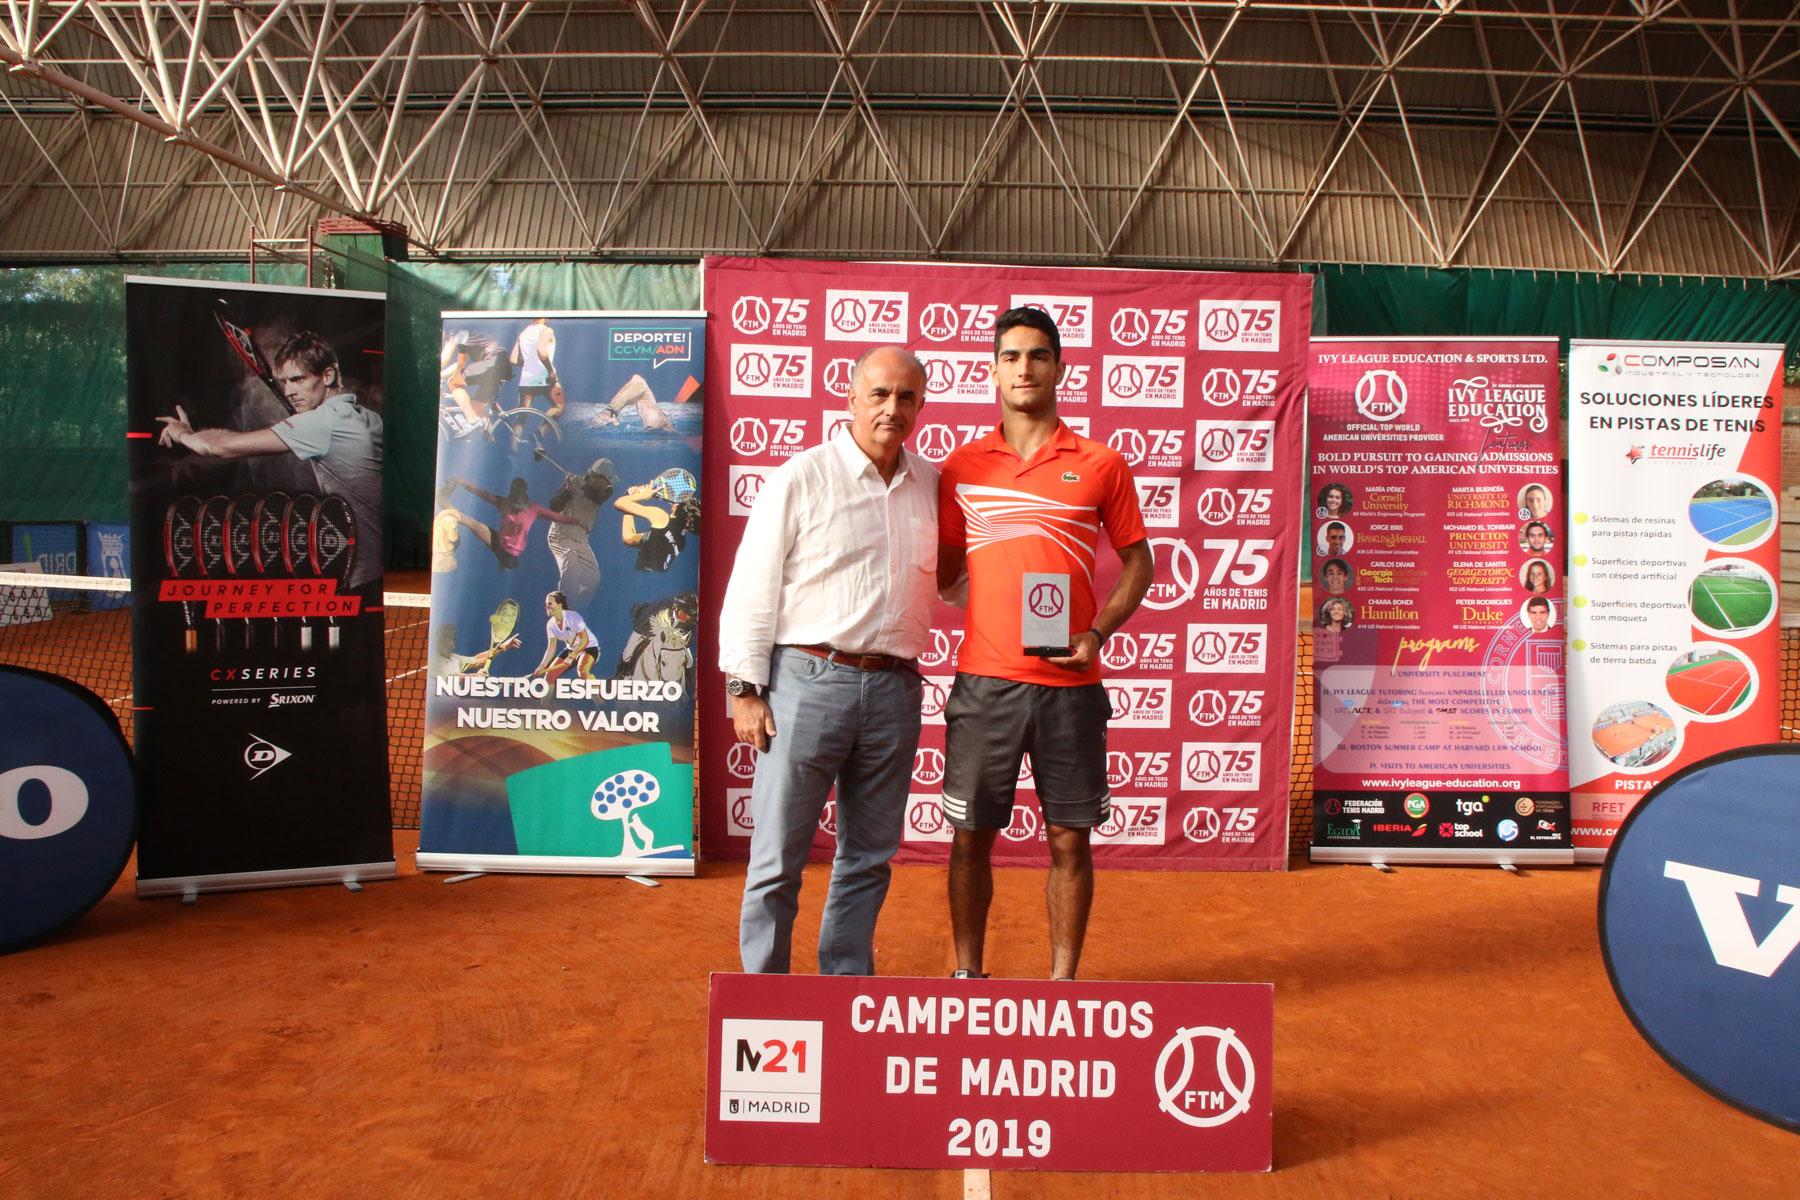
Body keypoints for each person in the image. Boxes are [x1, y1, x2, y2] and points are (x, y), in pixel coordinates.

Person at [937, 308, 1153, 983]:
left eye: (1036, 355)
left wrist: (1094, 633)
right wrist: (996, 607)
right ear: (994, 369)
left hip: (1072, 689)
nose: (1023, 368)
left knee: (1069, 838)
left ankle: (1063, 983)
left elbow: (1139, 562)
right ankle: (969, 976)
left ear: (1059, 366)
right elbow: (944, 571)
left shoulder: (1101, 463)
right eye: (1010, 356)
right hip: (984, 684)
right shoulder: (963, 466)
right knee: (971, 838)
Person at [719, 345, 937, 976]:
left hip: (895, 692)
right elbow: (753, 585)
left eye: (906, 397)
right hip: (805, 686)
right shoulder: (802, 477)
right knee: (777, 857)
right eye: (879, 394)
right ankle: (764, 999)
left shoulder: (932, 485)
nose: (891, 409)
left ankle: (844, 995)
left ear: (921, 406)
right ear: (850, 398)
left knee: (868, 858)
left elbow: (955, 582)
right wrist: (745, 688)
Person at [157, 330, 382, 592]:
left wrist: (184, 433)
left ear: (328, 375)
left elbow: (217, 447)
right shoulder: (367, 417)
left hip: (361, 574)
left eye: (298, 380)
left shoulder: (321, 423)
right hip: (374, 569)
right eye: (284, 382)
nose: (289, 391)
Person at [440, 475, 579, 571]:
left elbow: (556, 516)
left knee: (508, 564)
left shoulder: (534, 509)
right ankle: (442, 499)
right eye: (514, 503)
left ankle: (505, 566)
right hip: (497, 541)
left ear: (525, 497)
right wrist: (461, 482)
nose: (515, 506)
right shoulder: (503, 503)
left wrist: (576, 521)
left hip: (510, 555)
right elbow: (481, 493)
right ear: (511, 496)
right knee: (469, 522)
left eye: (518, 504)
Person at [547, 459, 616, 611]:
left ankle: (577, 610)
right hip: (561, 536)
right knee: (570, 571)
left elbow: (597, 496)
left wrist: (580, 487)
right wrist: (567, 490)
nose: (608, 484)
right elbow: (553, 506)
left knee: (593, 579)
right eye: (606, 479)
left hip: (581, 539)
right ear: (596, 476)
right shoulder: (573, 485)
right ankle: (562, 612)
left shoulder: (606, 491)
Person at [617, 484, 700, 572]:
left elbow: (619, 503)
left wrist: (640, 496)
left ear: (677, 507)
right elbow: (629, 539)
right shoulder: (680, 542)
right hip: (650, 579)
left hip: (635, 577)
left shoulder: (661, 517)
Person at [440, 329, 508, 435]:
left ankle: (472, 421)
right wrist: (441, 375)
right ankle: (489, 441)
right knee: (477, 406)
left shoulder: (453, 331)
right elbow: (460, 365)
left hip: (492, 362)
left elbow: (444, 358)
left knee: (453, 382)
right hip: (501, 364)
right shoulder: (465, 340)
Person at [531, 590, 598, 682]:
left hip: (589, 647)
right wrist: (541, 667)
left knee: (582, 672)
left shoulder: (573, 617)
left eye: (550, 603)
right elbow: (551, 648)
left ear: (559, 605)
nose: (547, 606)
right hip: (571, 649)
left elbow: (585, 640)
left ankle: (601, 696)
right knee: (549, 678)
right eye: (546, 604)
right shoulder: (550, 625)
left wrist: (571, 657)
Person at [511, 318, 561, 419]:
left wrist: (530, 364)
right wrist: (550, 370)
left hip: (526, 380)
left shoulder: (523, 333)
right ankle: (538, 434)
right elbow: (542, 351)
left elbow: (513, 359)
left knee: (522, 416)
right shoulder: (546, 330)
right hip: (545, 378)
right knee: (559, 407)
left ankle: (515, 435)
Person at [430, 622, 520, 676]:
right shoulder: (432, 661)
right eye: (449, 638)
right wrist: (475, 676)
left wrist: (503, 646)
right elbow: (452, 677)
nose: (452, 642)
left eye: (452, 638)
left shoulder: (455, 659)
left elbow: (477, 660)